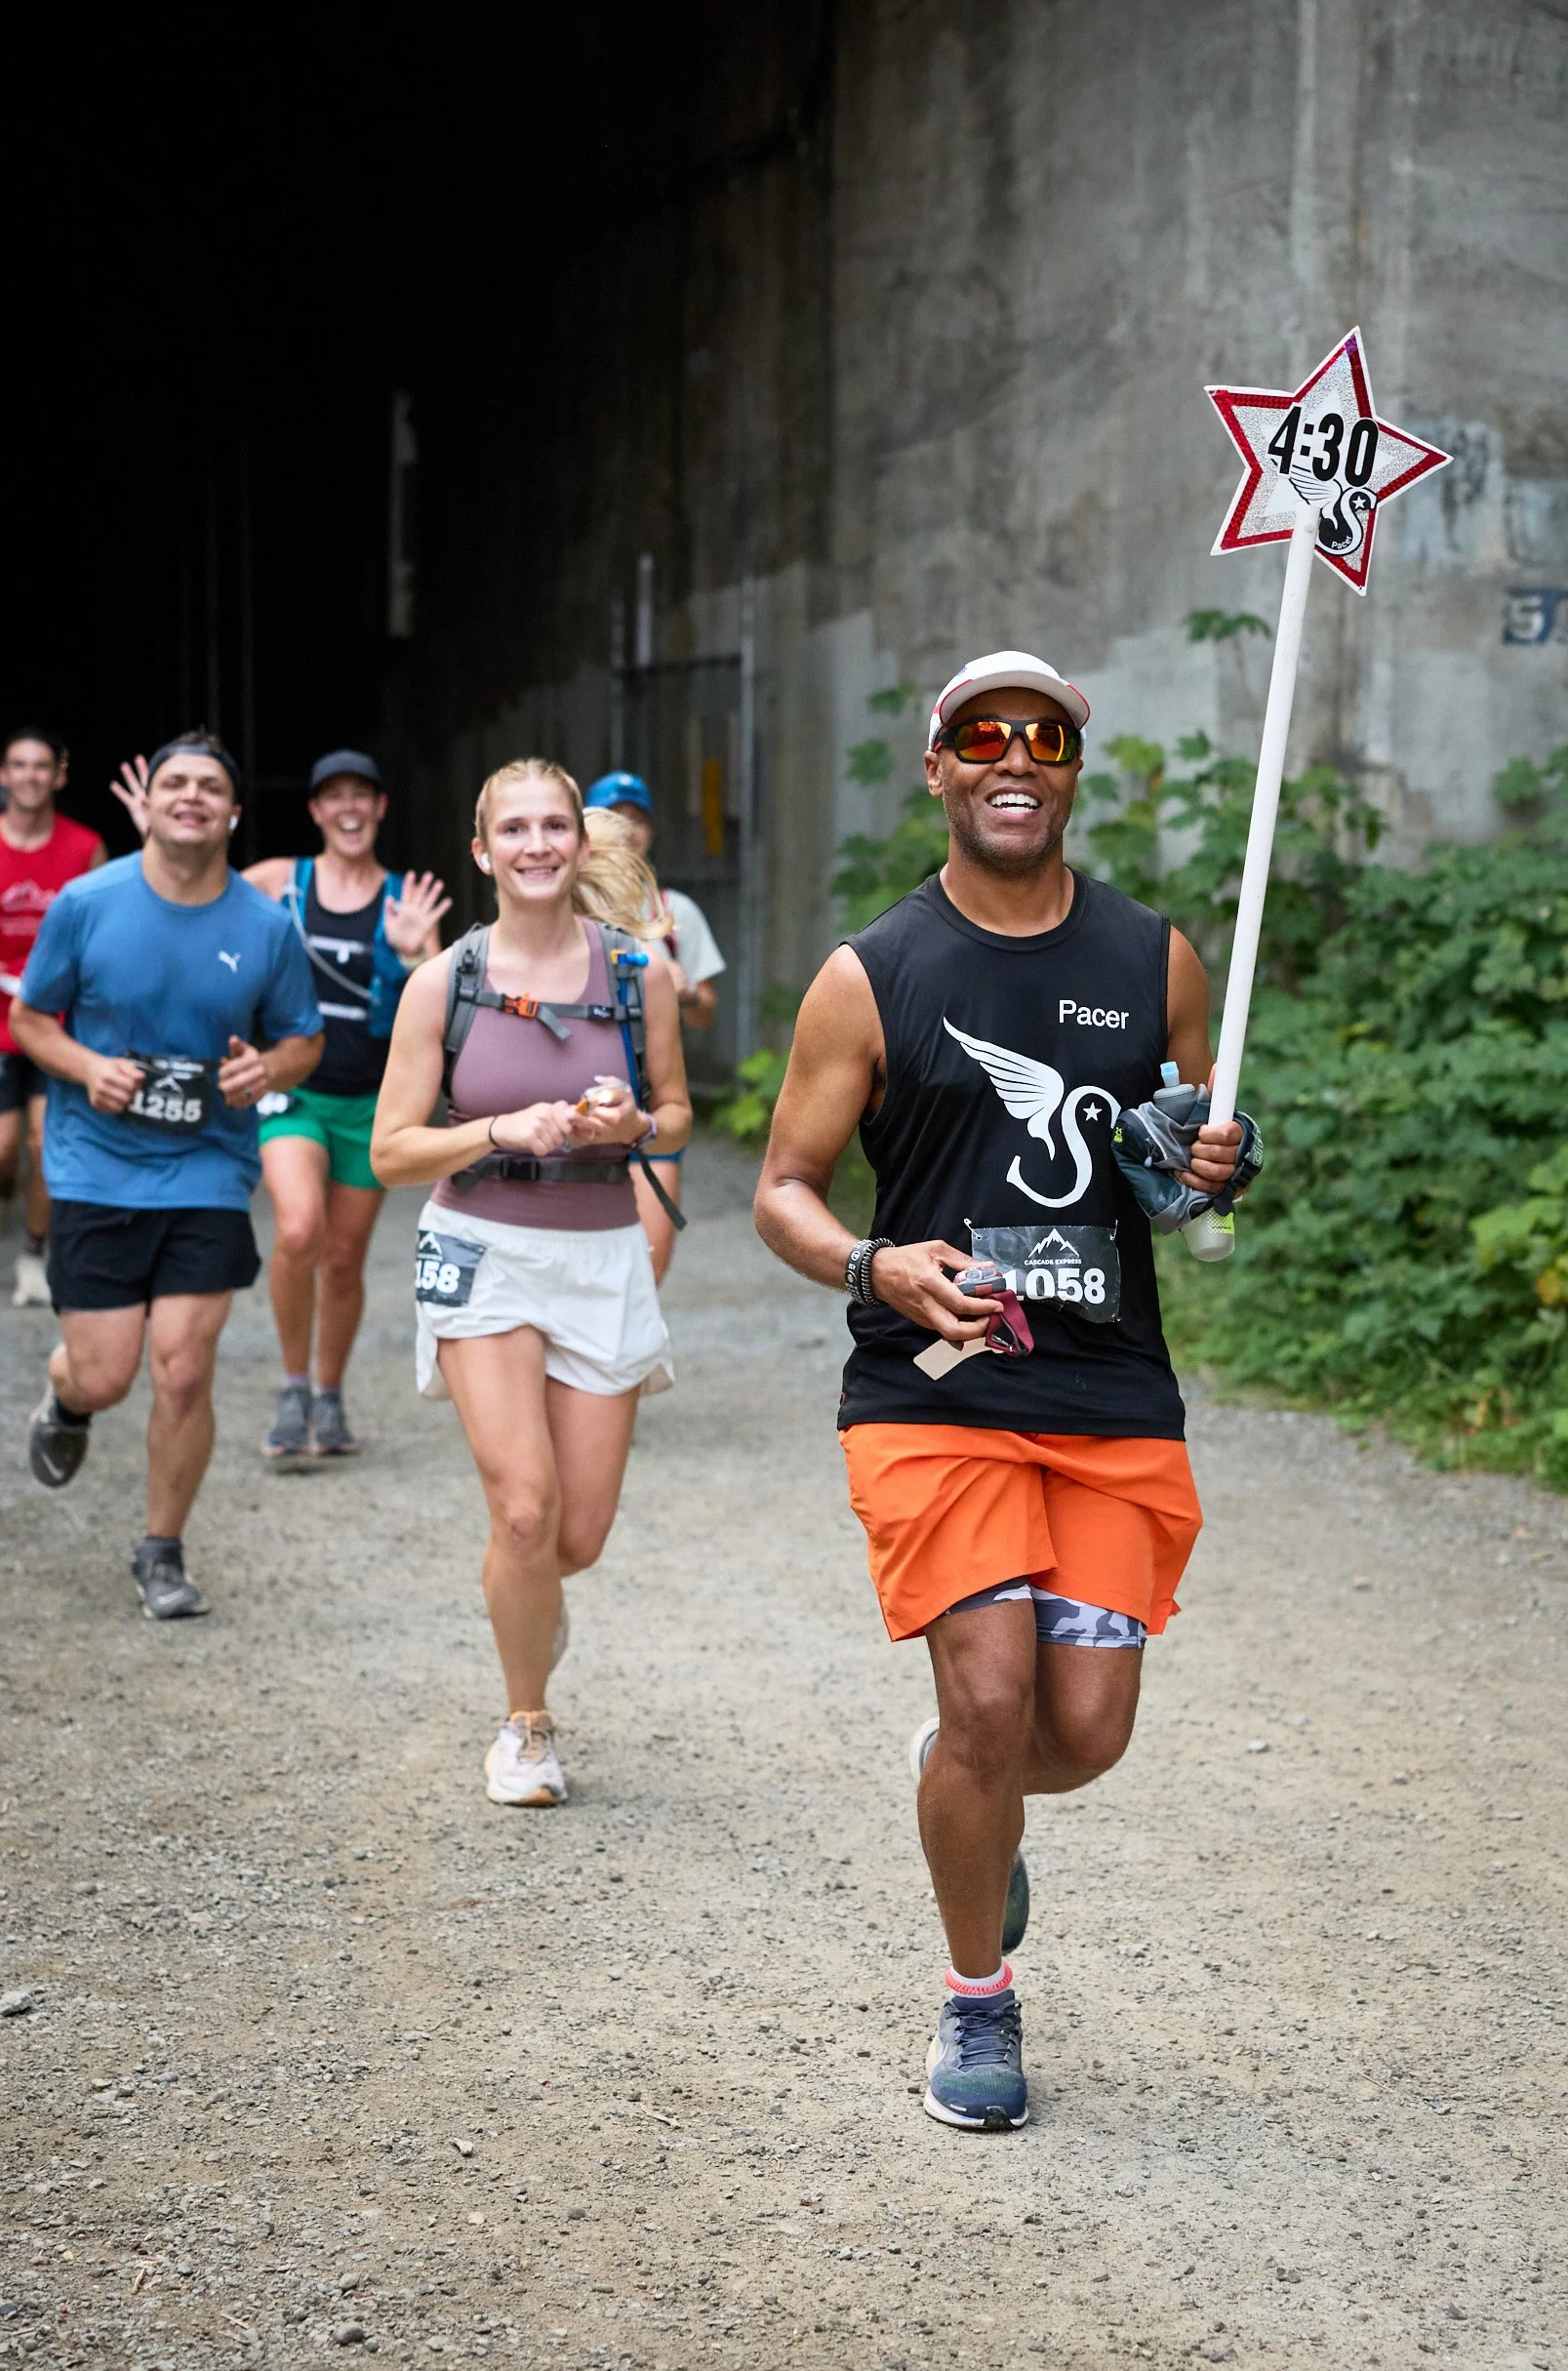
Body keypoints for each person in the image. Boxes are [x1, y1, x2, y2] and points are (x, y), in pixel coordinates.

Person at [754, 652, 1258, 2132]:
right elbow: (781, 1189)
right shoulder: (871, 974)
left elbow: (1180, 1179)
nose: (1014, 757)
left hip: (1108, 1396)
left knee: (1082, 1731)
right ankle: (978, 1996)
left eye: (1045, 736)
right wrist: (875, 1263)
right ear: (939, 768)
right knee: (989, 1698)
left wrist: (1214, 1165)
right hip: (936, 1391)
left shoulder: (1152, 958)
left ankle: (962, 1785)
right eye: (983, 736)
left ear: (1073, 773)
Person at [372, 757, 690, 1805]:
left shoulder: (637, 973)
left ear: (580, 841)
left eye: (553, 825)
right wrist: (498, 1129)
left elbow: (676, 1114)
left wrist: (631, 1123)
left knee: (573, 1537)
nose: (536, 844)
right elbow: (390, 1151)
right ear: (482, 850)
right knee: (522, 1509)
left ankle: (531, 1596)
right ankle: (527, 1727)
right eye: (513, 829)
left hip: (600, 1251)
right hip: (481, 1246)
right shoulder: (443, 982)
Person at [11, 732, 323, 1619]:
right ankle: (67, 1399)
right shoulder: (86, 903)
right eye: (174, 782)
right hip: (96, 1168)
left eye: (209, 786)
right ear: (145, 803)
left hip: (206, 1168)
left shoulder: (265, 928)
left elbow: (304, 1040)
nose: (191, 796)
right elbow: (31, 1019)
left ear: (233, 812)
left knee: (183, 1371)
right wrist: (87, 1068)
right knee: (106, 1375)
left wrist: (266, 1069)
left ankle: (161, 1552)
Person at [235, 750, 450, 1459]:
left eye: (363, 794)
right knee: (300, 1229)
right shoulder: (277, 882)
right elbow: (200, 908)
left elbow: (438, 1007)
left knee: (344, 1258)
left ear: (380, 808)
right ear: (315, 810)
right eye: (334, 796)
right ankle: (292, 1386)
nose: (349, 808)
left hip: (370, 1103)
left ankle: (328, 1396)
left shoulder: (406, 899)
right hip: (292, 1090)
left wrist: (414, 954)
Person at [584, 771, 722, 1278]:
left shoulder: (674, 912)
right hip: (575, 1106)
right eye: (613, 818)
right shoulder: (558, 908)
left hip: (650, 1103)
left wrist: (683, 993)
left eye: (637, 819)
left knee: (644, 1275)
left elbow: (706, 1014)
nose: (626, 831)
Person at [0, 729, 105, 1297]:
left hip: (58, 1023)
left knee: (45, 1143)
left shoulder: (85, 848)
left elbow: (105, 932)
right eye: (19, 765)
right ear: (1, 774)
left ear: (59, 775)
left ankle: (34, 1255)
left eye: (41, 766)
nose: (30, 776)